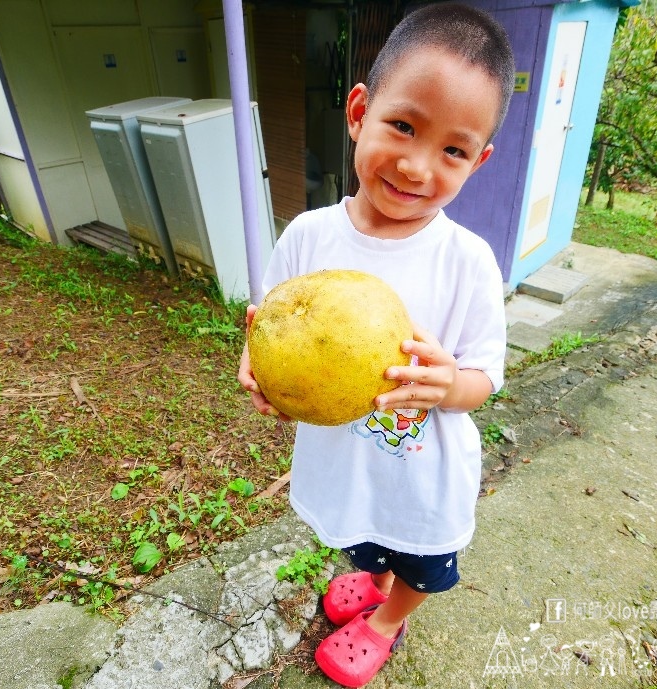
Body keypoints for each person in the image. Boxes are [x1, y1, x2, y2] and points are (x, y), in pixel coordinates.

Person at [237, 4, 514, 686]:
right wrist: (257, 369)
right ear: (359, 111)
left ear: (478, 162)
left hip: (423, 476)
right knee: (363, 540)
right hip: (346, 461)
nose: (419, 166)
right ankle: (376, 577)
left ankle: (390, 618)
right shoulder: (308, 235)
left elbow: (485, 376)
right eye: (404, 126)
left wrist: (449, 384)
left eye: (452, 150)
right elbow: (267, 320)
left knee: (420, 560)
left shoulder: (467, 261)